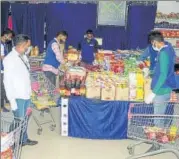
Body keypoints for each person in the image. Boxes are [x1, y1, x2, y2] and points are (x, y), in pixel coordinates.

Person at [3, 34, 38, 146]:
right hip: (18, 96)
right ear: (22, 45)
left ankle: (23, 139)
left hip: (26, 93)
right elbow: (7, 82)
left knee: (25, 119)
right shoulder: (9, 59)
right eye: (27, 45)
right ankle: (8, 141)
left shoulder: (22, 55)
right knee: (18, 120)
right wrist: (12, 101)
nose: (29, 47)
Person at [145, 31, 176, 151]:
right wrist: (151, 72)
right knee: (160, 117)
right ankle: (159, 141)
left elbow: (163, 74)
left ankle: (157, 145)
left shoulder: (163, 53)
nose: (153, 46)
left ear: (155, 42)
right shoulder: (169, 48)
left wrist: (153, 92)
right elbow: (165, 69)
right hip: (167, 88)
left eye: (153, 43)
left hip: (161, 91)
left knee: (158, 118)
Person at [1, 28, 14, 112]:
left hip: (3, 69)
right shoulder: (1, 45)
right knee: (1, 88)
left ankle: (6, 102)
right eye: (9, 36)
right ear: (5, 35)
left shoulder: (3, 44)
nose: (10, 38)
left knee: (4, 86)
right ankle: (1, 107)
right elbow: (2, 58)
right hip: (1, 70)